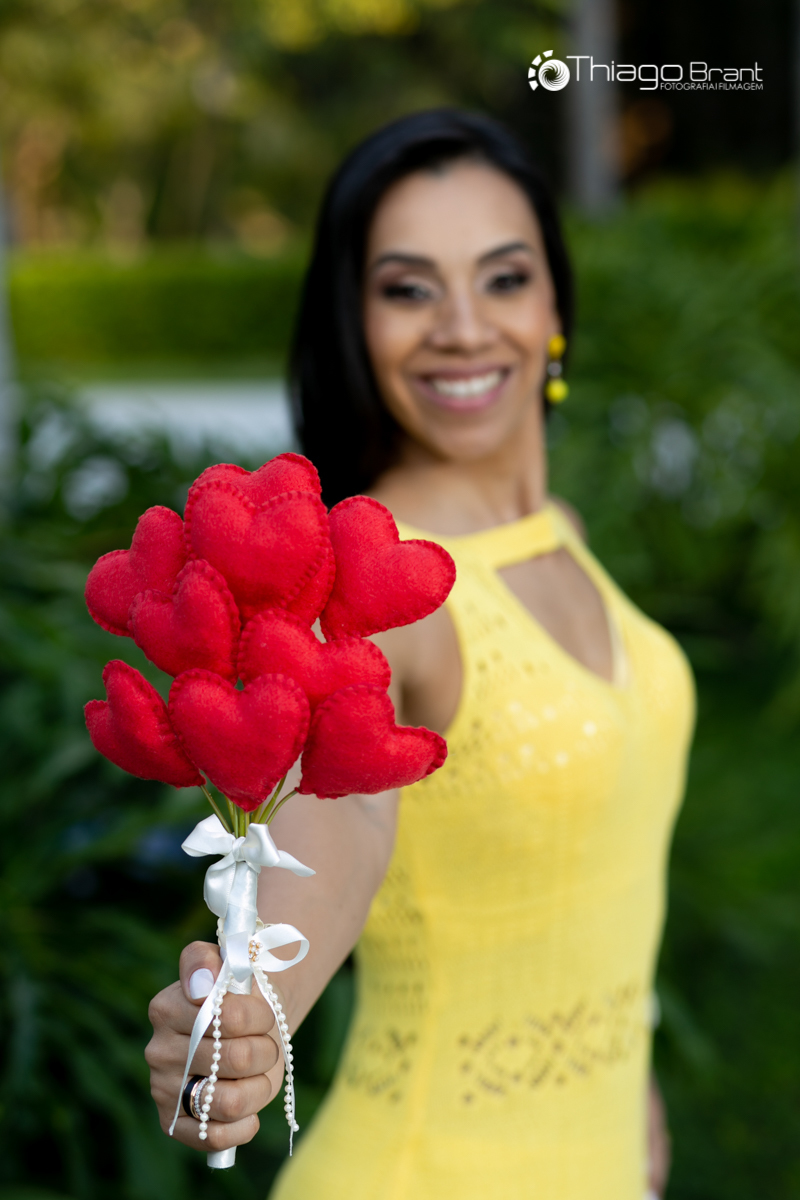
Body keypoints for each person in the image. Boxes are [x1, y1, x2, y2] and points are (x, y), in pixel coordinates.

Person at [145, 109, 694, 1200]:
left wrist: (621, 1075)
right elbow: (340, 816)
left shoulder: (559, 535)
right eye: (408, 289)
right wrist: (247, 1022)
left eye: (504, 278)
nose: (462, 327)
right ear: (352, 322)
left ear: (553, 305)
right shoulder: (373, 592)